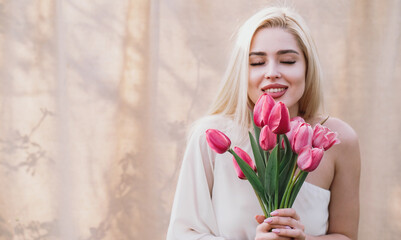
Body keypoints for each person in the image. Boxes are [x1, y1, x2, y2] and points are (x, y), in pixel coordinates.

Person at [167, 6, 360, 240]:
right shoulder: (211, 136)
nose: (271, 73)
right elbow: (182, 234)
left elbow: (346, 236)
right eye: (257, 63)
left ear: (308, 67)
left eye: (288, 61)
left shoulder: (338, 140)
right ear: (241, 71)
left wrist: (303, 239)